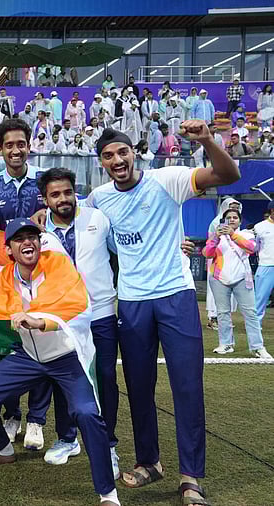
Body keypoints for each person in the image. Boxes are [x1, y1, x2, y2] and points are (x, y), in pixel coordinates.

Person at [76, 124, 239, 506]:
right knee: (139, 388)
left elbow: (229, 175)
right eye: (108, 156)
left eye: (123, 152)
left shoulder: (168, 180)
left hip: (175, 296)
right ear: (101, 162)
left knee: (186, 387)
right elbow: (71, 217)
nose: (117, 160)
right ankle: (150, 462)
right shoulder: (99, 199)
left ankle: (190, 477)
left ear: (135, 153)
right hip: (131, 303)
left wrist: (204, 141)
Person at [0, 218, 120, 506]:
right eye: (19, 239)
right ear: (9, 249)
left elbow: (79, 309)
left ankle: (108, 494)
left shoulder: (59, 267)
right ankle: (4, 450)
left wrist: (39, 321)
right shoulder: (2, 278)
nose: (27, 243)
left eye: (32, 237)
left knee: (86, 414)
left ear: (39, 242)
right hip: (30, 357)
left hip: (67, 357)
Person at [36, 168, 121, 479]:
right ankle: (67, 438)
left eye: (67, 192)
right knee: (65, 379)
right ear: (45, 200)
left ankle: (108, 445)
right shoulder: (39, 234)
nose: (63, 199)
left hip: (100, 313)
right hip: (64, 319)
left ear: (75, 193)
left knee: (105, 377)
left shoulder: (98, 219)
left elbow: (123, 251)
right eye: (55, 195)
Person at [0, 118, 50, 449]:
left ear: (29, 146)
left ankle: (37, 419)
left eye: (21, 143)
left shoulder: (45, 183)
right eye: (9, 145)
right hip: (5, 283)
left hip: (43, 282)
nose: (16, 150)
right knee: (9, 349)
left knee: (42, 348)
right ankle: (12, 414)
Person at [203, 208, 272, 358]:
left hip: (241, 278)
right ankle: (226, 344)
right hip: (219, 279)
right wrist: (216, 238)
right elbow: (207, 253)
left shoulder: (246, 234)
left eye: (235, 217)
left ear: (240, 221)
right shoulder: (216, 236)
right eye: (229, 217)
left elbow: (252, 248)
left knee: (250, 313)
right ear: (223, 220)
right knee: (222, 313)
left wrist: (232, 234)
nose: (232, 219)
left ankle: (257, 347)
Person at [253, 201, 274, 324]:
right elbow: (254, 247)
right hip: (266, 265)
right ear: (272, 211)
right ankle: (255, 325)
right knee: (260, 298)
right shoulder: (259, 227)